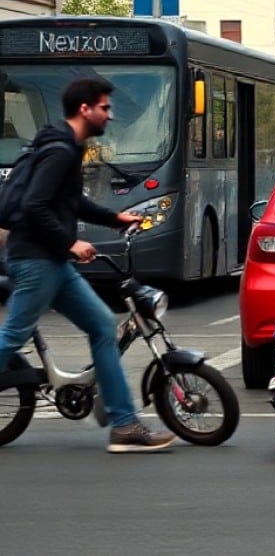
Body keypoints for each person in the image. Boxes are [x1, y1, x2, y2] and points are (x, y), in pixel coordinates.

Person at [0, 77, 175, 453]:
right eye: (105, 108)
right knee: (10, 338)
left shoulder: (67, 146)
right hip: (36, 260)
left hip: (52, 261)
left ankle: (124, 426)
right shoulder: (61, 151)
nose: (110, 115)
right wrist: (70, 242)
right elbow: (34, 205)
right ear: (85, 109)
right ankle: (124, 423)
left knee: (101, 326)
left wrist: (115, 219)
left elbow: (71, 203)